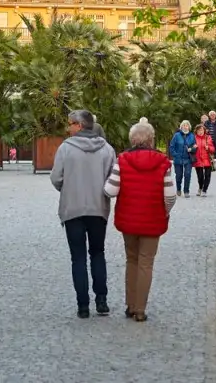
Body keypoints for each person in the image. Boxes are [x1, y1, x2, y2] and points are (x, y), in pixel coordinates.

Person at [104, 119, 175, 322]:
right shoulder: (163, 162)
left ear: (132, 139)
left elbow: (110, 190)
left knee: (132, 260)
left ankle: (130, 305)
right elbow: (170, 196)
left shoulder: (122, 160)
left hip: (128, 221)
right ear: (151, 140)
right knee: (146, 263)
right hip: (153, 221)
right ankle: (141, 310)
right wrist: (164, 212)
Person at [50, 108, 116, 319]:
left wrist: (68, 188)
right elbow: (113, 180)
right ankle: (102, 301)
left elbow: (56, 178)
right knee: (98, 253)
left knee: (77, 257)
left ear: (79, 125)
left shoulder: (65, 148)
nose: (68, 128)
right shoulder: (107, 149)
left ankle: (83, 306)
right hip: (98, 208)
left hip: (73, 208)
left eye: (70, 124)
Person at [168, 121, 197, 197]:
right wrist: (175, 155)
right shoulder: (176, 135)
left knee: (187, 174)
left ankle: (186, 191)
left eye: (187, 125)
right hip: (178, 159)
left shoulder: (192, 136)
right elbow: (171, 146)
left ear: (189, 127)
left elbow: (195, 146)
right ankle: (178, 189)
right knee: (178, 175)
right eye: (183, 125)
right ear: (181, 127)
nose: (185, 127)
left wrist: (191, 149)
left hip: (188, 159)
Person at [192, 123, 215, 197]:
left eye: (202, 130)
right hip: (198, 160)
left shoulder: (208, 137)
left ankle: (204, 190)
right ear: (196, 131)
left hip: (207, 160)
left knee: (207, 176)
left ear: (204, 130)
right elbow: (190, 148)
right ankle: (200, 188)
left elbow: (213, 149)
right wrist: (193, 147)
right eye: (199, 130)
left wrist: (208, 148)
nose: (200, 132)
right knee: (200, 177)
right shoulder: (194, 138)